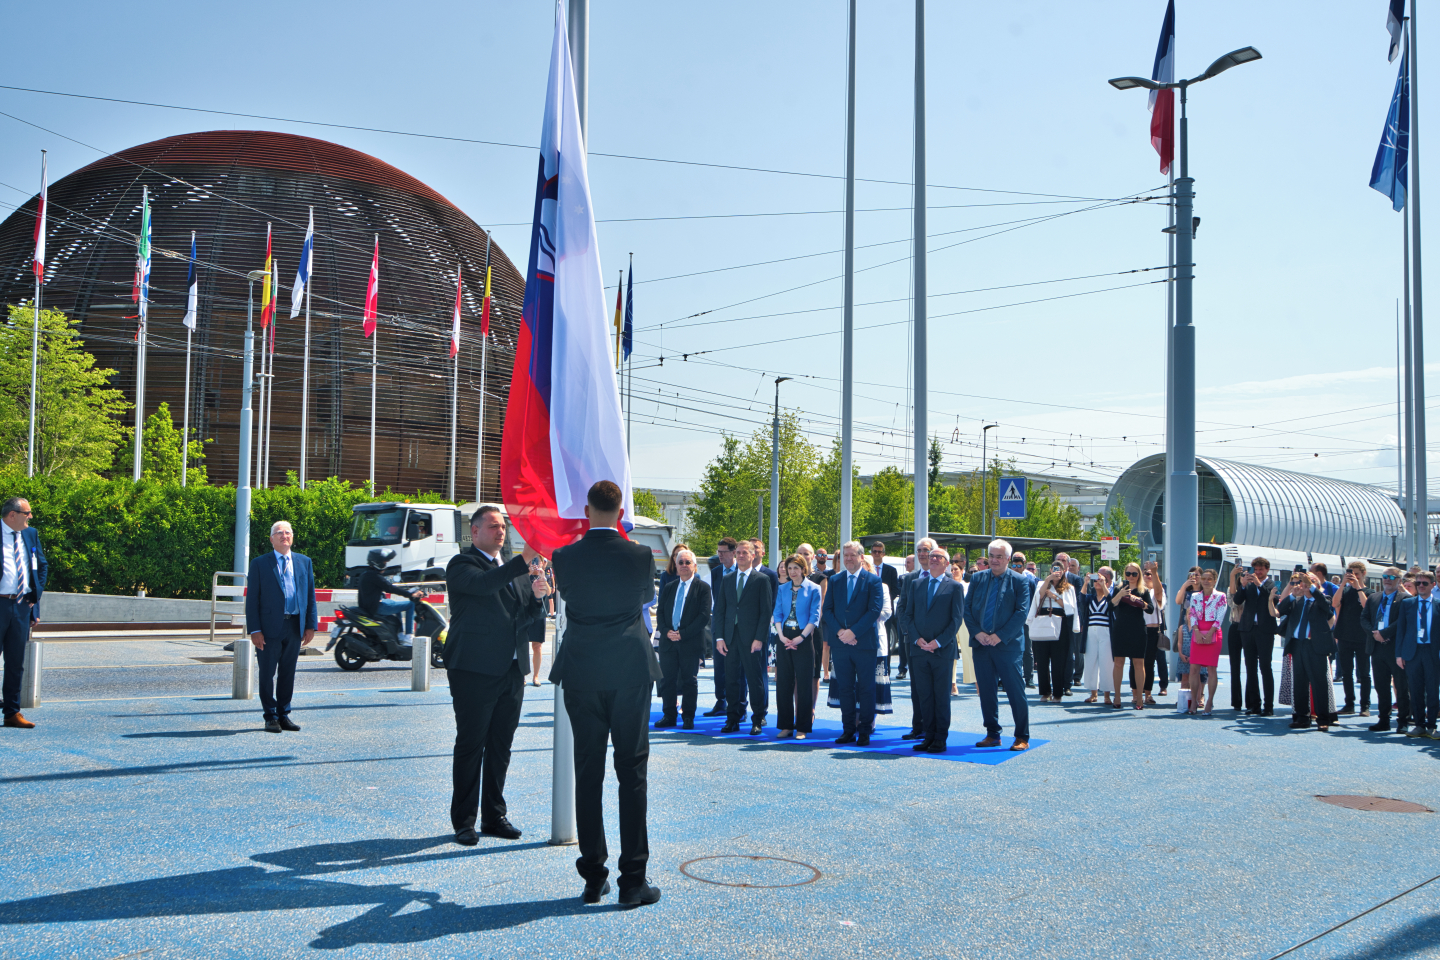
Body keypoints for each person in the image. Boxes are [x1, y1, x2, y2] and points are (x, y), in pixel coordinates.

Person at [549, 481, 662, 907]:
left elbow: (570, 602)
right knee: (631, 772)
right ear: (619, 511)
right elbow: (644, 599)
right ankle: (633, 881)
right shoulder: (639, 555)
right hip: (629, 671)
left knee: (588, 771)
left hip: (582, 670)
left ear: (587, 509)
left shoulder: (565, 557)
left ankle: (593, 875)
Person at [443, 505, 549, 846]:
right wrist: (523, 561)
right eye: (493, 526)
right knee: (472, 745)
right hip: (473, 669)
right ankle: (464, 821)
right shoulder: (462, 564)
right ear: (474, 532)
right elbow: (485, 585)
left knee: (501, 746)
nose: (501, 531)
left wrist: (537, 598)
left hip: (510, 670)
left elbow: (526, 615)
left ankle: (494, 815)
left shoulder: (515, 571)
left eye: (503, 526)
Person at [245, 520, 319, 734]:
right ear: (271, 539)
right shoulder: (260, 563)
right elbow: (253, 600)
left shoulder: (304, 562)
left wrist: (310, 625)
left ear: (292, 537)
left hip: (295, 626)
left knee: (288, 673)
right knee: (267, 673)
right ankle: (270, 716)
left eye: (287, 532)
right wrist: (255, 630)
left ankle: (284, 714)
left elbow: (310, 596)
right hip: (268, 629)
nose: (284, 536)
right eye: (279, 533)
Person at [963, 539, 1033, 751]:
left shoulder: (1020, 581)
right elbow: (967, 610)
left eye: (999, 557)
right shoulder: (977, 579)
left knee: (1015, 691)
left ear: (1008, 559)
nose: (994, 560)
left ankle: (1021, 736)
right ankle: (992, 733)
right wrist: (978, 633)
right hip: (981, 644)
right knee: (986, 691)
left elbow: (1021, 613)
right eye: (991, 556)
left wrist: (999, 636)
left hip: (1008, 646)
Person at [899, 547, 963, 752]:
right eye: (932, 556)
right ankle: (927, 735)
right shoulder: (916, 584)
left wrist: (938, 642)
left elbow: (956, 620)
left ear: (946, 563)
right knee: (924, 696)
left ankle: (940, 738)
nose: (934, 559)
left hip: (942, 652)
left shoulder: (954, 587)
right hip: (919, 651)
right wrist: (916, 639)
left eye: (939, 557)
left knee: (941, 697)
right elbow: (907, 615)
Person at [821, 541, 884, 745]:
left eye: (852, 555)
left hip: (864, 644)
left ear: (861, 557)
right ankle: (848, 729)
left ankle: (864, 730)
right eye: (845, 555)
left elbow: (874, 611)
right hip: (840, 644)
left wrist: (853, 632)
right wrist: (841, 632)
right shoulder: (835, 580)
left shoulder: (873, 581)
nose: (848, 559)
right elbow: (827, 610)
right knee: (845, 688)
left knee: (866, 689)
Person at [714, 539, 774, 736]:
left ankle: (757, 719)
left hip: (751, 639)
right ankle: (733, 718)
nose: (740, 555)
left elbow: (766, 613)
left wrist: (759, 638)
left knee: (754, 679)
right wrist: (719, 637)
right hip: (730, 637)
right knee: (731, 679)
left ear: (752, 555)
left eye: (744, 553)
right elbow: (721, 610)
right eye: (738, 552)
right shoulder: (727, 579)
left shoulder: (761, 580)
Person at [1273, 570, 1339, 733]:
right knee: (1300, 683)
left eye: (1306, 583)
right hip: (1297, 645)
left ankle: (1323, 719)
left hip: (1315, 646)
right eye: (1301, 583)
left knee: (1319, 683)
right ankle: (1302, 717)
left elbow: (1326, 605)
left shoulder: (1322, 599)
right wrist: (1292, 595)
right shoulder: (1297, 600)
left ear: (1315, 585)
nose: (1302, 586)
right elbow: (1280, 610)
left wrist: (1312, 589)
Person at [0, 498, 46, 730]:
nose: (30, 517)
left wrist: (34, 602)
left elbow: (41, 566)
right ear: (12, 515)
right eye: (27, 513)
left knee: (16, 663)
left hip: (20, 606)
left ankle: (12, 713)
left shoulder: (31, 535)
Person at [655, 548, 711, 730]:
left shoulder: (703, 588)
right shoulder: (670, 587)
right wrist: (666, 631)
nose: (684, 566)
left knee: (689, 680)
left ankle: (688, 716)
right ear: (676, 566)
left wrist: (683, 633)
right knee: (667, 680)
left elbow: (703, 616)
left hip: (690, 642)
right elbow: (661, 612)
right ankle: (669, 715)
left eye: (688, 562)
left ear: (694, 566)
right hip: (668, 642)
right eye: (681, 563)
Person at [772, 554, 821, 739]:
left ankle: (802, 727)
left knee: (804, 685)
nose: (792, 572)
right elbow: (777, 613)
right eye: (789, 568)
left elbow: (814, 617)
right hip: (784, 637)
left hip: (804, 638)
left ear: (803, 569)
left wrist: (801, 637)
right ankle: (785, 726)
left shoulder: (814, 589)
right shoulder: (782, 588)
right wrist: (782, 637)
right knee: (783, 683)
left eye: (795, 568)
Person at [1362, 567, 1410, 734]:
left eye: (1391, 577)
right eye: (1385, 577)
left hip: (1396, 649)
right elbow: (1364, 618)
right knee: (1381, 686)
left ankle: (1403, 721)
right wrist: (1374, 634)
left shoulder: (1406, 599)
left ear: (1399, 580)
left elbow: (1403, 621)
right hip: (1377, 648)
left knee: (1401, 686)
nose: (1387, 579)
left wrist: (1384, 633)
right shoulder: (1374, 598)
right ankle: (1383, 719)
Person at [896, 538, 935, 740]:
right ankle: (918, 726)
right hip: (913, 641)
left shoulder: (944, 578)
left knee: (936, 688)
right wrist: (911, 635)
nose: (921, 554)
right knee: (916, 686)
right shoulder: (909, 579)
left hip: (937, 644)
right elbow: (902, 608)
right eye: (919, 550)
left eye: (926, 550)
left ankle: (934, 728)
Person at [1230, 558, 1277, 716]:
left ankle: (1268, 706)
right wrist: (1242, 586)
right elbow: (1237, 601)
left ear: (1267, 570)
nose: (1257, 573)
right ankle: (1254, 705)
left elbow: (1273, 599)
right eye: (1255, 570)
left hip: (1265, 630)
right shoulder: (1248, 584)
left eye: (1261, 570)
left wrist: (1259, 584)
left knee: (1265, 667)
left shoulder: (1271, 584)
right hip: (1247, 629)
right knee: (1250, 668)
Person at [1027, 563, 1080, 703]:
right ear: (1050, 570)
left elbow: (1070, 608)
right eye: (1054, 569)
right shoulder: (1041, 584)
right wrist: (1048, 580)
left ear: (1064, 571)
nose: (1057, 572)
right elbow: (1038, 597)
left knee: (1059, 660)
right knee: (1042, 660)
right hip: (1043, 621)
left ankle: (1058, 693)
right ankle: (1045, 692)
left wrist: (1055, 597)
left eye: (1059, 570)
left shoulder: (1069, 588)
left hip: (1060, 623)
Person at [1110, 563, 1154, 711]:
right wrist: (1120, 595)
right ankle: (1117, 696)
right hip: (1120, 629)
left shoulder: (1144, 590)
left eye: (1134, 574)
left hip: (1137, 630)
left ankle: (1140, 698)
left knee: (1138, 664)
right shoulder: (1118, 588)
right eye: (1128, 573)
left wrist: (1139, 602)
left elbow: (1151, 609)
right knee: (1118, 663)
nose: (1131, 577)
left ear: (1139, 575)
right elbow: (1110, 607)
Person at [1330, 560, 1373, 717]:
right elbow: (1335, 603)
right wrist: (1342, 585)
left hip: (1362, 637)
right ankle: (1349, 704)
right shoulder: (1345, 591)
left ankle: (1365, 705)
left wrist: (1358, 587)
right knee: (1347, 672)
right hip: (1344, 636)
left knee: (1364, 673)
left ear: (1363, 574)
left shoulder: (1368, 591)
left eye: (1356, 573)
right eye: (1350, 573)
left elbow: (1367, 606)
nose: (1353, 576)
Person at [704, 537, 740, 718]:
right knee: (719, 665)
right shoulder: (716, 572)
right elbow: (716, 600)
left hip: (738, 625)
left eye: (724, 552)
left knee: (738, 667)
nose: (720, 555)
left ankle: (739, 705)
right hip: (719, 624)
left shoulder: (741, 571)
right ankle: (721, 701)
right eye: (718, 552)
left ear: (734, 553)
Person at [1183, 569, 1226, 716]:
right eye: (1204, 578)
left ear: (1214, 580)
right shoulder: (1195, 596)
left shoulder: (1221, 596)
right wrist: (1195, 630)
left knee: (1211, 669)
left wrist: (1210, 633)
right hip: (1197, 631)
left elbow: (1220, 617)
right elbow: (1192, 614)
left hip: (1213, 633)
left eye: (1209, 579)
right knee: (1194, 668)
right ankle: (1194, 700)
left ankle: (1209, 701)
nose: (1206, 581)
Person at [356, 547, 420, 646]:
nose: (385, 565)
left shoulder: (366, 573)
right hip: (376, 608)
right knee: (410, 604)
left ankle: (400, 634)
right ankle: (408, 636)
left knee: (395, 603)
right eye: (384, 562)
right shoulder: (375, 576)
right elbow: (390, 588)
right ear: (378, 563)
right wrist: (410, 594)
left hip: (372, 605)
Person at [1080, 568, 1115, 705]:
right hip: (1091, 632)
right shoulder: (1090, 598)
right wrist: (1086, 583)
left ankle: (1107, 695)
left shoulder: (1108, 597)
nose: (1097, 583)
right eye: (1096, 581)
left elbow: (1112, 602)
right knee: (1090, 661)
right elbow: (1081, 599)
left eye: (1100, 581)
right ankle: (1093, 693)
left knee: (1106, 663)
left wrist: (1104, 584)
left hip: (1105, 631)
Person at [870, 541, 903, 678]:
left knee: (886, 641)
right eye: (874, 551)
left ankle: (886, 670)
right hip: (868, 610)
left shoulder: (891, 570)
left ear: (883, 553)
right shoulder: (866, 568)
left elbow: (895, 589)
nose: (877, 554)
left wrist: (883, 600)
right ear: (871, 553)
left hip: (885, 611)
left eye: (879, 551)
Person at [1141, 561, 1168, 702]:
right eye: (1146, 573)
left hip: (1154, 630)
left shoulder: (1158, 589)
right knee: (1139, 663)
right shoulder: (1138, 589)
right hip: (1139, 630)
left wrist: (1155, 571)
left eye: (1151, 574)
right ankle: (1137, 693)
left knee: (1155, 662)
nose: (1149, 575)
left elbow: (1158, 596)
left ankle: (1149, 693)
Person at [1011, 551, 1038, 688]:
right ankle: (1006, 679)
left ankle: (1029, 678)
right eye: (1014, 565)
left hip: (1026, 619)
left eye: (1019, 566)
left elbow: (1034, 600)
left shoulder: (1029, 581)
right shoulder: (1007, 579)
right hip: (1010, 620)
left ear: (1023, 567)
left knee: (1028, 650)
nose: (1016, 568)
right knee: (1009, 649)